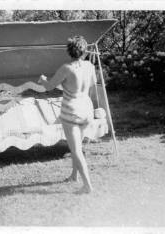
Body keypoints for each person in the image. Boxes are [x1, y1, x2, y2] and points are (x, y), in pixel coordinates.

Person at [38, 35, 96, 193]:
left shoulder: (66, 68)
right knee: (77, 146)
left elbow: (49, 86)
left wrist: (43, 79)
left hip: (71, 111)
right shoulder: (90, 66)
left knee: (76, 150)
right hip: (86, 109)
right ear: (84, 51)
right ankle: (74, 176)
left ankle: (87, 186)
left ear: (69, 51)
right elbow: (92, 84)